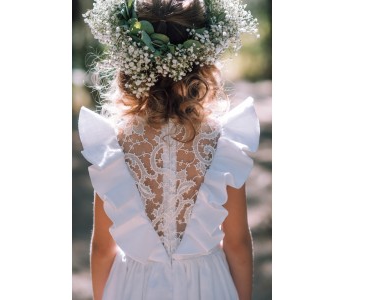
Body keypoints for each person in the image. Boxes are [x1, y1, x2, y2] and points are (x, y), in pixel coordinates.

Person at [78, 0, 260, 299]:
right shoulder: (222, 142)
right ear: (202, 61)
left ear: (130, 61)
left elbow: (101, 249)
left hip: (133, 286)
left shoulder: (113, 144)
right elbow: (237, 242)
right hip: (207, 284)